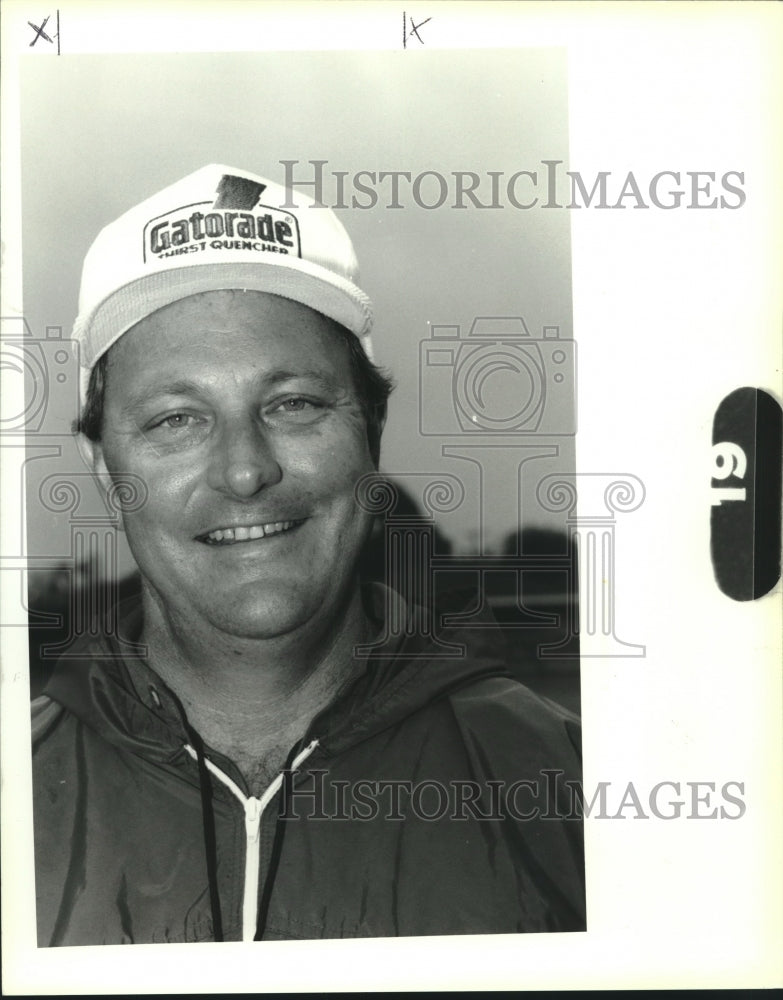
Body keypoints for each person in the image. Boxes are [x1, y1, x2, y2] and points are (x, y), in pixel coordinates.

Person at [31, 164, 585, 945]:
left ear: (371, 428)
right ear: (104, 470)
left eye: (294, 404)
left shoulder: (566, 784)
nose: (245, 470)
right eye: (175, 420)